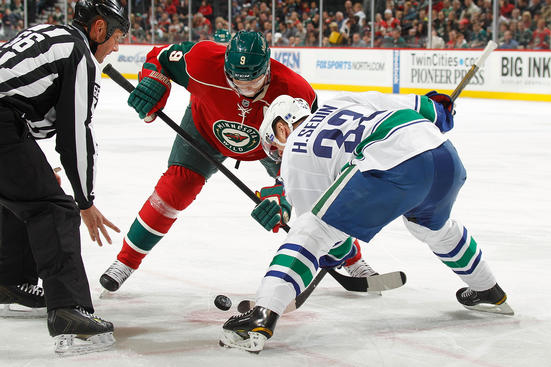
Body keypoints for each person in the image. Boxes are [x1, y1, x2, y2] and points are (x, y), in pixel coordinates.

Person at [219, 92, 514, 352]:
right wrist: (438, 109)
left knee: (312, 228)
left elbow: (320, 236)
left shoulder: (295, 148)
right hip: (444, 155)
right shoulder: (342, 100)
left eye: (275, 148)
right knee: (431, 227)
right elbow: (422, 106)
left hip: (397, 166)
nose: (278, 156)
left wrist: (337, 254)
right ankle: (489, 289)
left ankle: (262, 314)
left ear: (282, 127)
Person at [99, 30, 375, 293]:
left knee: (309, 198)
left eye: (253, 82)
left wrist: (284, 196)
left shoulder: (295, 92)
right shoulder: (203, 60)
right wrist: (153, 84)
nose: (244, 89)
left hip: (271, 145)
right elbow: (159, 58)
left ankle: (350, 257)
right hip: (204, 129)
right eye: (236, 81)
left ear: (267, 69)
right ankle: (125, 261)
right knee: (173, 190)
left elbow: (307, 157)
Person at [0, 0, 128, 355]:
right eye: (117, 36)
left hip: (6, 121)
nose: (117, 47)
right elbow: (74, 134)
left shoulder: (48, 34)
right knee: (54, 208)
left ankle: (9, 281)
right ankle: (69, 311)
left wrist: (33, 165)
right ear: (99, 29)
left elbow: (20, 95)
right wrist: (85, 202)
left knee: (22, 194)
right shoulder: (79, 53)